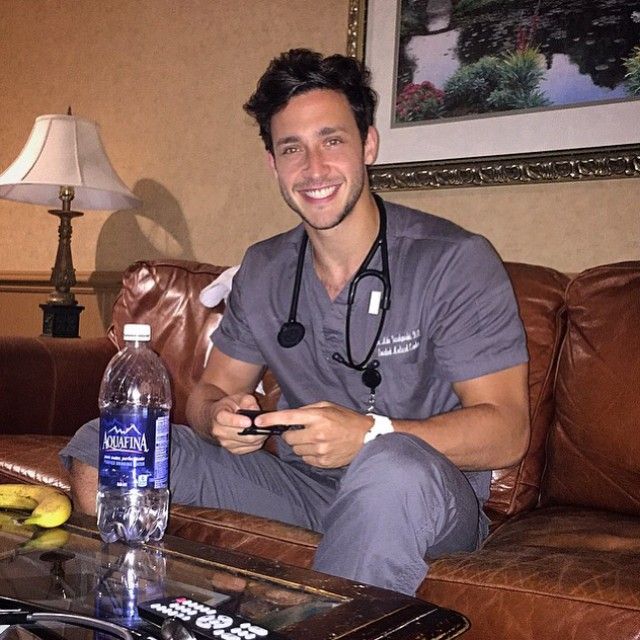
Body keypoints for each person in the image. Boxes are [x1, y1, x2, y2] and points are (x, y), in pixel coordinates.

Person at [61, 48, 530, 596]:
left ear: (368, 145)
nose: (313, 169)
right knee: (111, 443)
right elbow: (210, 391)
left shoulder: (452, 261)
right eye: (292, 148)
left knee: (391, 468)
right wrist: (220, 416)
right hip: (301, 484)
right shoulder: (264, 268)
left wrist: (373, 435)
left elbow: (508, 430)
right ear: (273, 165)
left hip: (424, 494)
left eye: (332, 141)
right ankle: (135, 612)